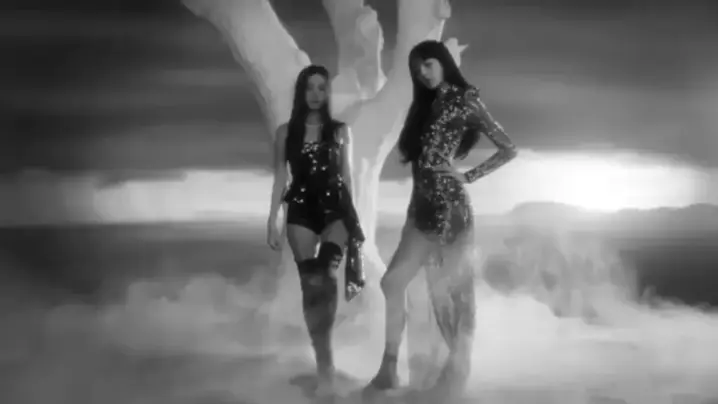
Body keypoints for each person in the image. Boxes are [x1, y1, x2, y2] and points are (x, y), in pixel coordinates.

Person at [366, 40, 518, 397]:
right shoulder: (424, 105)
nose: (422, 73)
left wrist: (469, 175)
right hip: (419, 210)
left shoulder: (465, 100)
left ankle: (456, 372)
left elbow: (508, 147)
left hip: (450, 210)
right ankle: (388, 369)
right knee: (393, 283)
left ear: (444, 63)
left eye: (428, 64)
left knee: (449, 296)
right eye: (416, 69)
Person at [266, 64, 366, 394]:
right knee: (311, 286)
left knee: (328, 275)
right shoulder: (286, 133)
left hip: (336, 208)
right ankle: (325, 363)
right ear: (301, 91)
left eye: (322, 87)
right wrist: (272, 219)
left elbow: (347, 176)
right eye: (310, 87)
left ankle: (326, 358)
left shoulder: (340, 131)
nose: (315, 94)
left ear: (328, 93)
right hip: (300, 209)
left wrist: (355, 218)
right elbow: (281, 177)